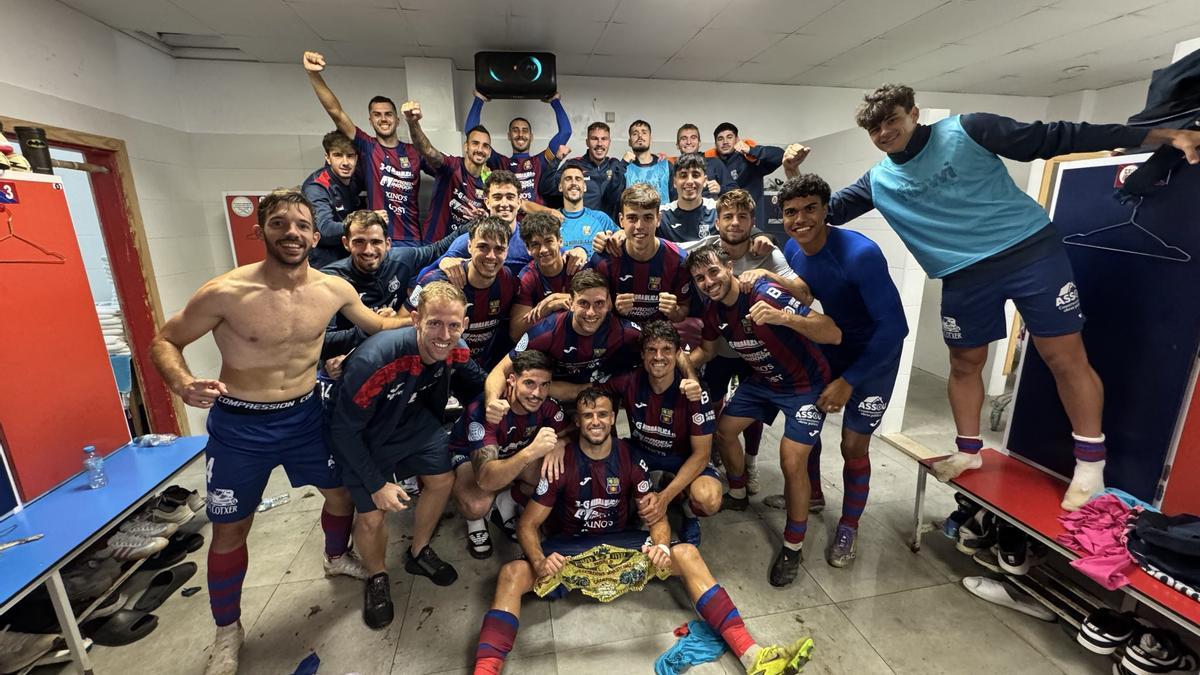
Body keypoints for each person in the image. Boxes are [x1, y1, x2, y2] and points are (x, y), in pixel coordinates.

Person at [810, 83, 1200, 510]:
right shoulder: (879, 179)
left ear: (914, 113)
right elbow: (820, 214)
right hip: (962, 275)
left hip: (1028, 252)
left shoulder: (967, 130)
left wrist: (1161, 136)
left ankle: (1090, 466)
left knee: (1063, 356)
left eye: (892, 121)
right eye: (875, 129)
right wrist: (790, 186)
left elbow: (1059, 135)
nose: (885, 133)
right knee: (965, 362)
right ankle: (968, 450)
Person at [149, 189, 409, 675]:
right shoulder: (225, 292)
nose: (291, 232)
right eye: (279, 224)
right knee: (231, 529)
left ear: (315, 234)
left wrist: (430, 320)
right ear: (261, 230)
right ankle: (228, 631)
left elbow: (376, 325)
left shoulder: (332, 289)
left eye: (301, 224)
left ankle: (335, 556)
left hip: (306, 416)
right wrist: (183, 383)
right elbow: (165, 339)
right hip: (240, 426)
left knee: (341, 495)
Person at [469, 388, 811, 675]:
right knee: (512, 574)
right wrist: (541, 560)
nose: (596, 422)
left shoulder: (630, 458)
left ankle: (752, 656)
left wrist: (661, 545)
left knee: (686, 553)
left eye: (603, 414)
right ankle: (486, 670)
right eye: (588, 416)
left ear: (613, 417)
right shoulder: (559, 463)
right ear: (578, 421)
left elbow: (656, 515)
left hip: (623, 546)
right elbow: (529, 524)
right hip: (570, 551)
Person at [327, 281, 488, 629]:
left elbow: (479, 385)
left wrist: (501, 400)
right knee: (372, 515)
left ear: (465, 323)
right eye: (434, 323)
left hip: (416, 424)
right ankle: (377, 576)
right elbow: (343, 431)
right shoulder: (375, 360)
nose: (444, 334)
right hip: (365, 437)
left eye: (454, 325)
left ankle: (419, 551)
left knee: (442, 479)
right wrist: (377, 483)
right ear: (416, 319)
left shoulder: (455, 348)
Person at [769, 174, 908, 567]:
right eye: (791, 212)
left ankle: (849, 525)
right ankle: (811, 493)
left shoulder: (860, 254)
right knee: (806, 422)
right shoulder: (793, 250)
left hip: (876, 356)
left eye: (810, 208)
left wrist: (850, 381)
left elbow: (895, 327)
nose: (801, 219)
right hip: (834, 347)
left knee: (852, 445)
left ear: (827, 210)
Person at [687, 241, 841, 587]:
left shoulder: (764, 292)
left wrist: (783, 317)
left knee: (791, 461)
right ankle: (739, 494)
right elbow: (707, 351)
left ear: (729, 267)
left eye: (713, 272)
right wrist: (673, 365)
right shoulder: (712, 313)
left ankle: (793, 545)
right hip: (764, 382)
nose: (709, 282)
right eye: (700, 278)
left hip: (805, 385)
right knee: (724, 431)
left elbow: (832, 332)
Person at [557, 321, 721, 545]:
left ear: (677, 354)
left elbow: (702, 455)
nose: (659, 356)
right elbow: (581, 391)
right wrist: (541, 389)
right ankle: (634, 503)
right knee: (606, 479)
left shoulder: (694, 392)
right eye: (652, 350)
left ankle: (688, 512)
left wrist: (664, 498)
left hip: (681, 456)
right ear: (642, 355)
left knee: (708, 498)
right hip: (641, 452)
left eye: (666, 350)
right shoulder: (628, 381)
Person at [695, 189, 801, 495]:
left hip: (756, 352)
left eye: (743, 217)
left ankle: (751, 464)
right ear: (717, 222)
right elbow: (675, 248)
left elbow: (802, 292)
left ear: (753, 221)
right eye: (728, 216)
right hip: (720, 348)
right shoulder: (710, 251)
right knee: (713, 403)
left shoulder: (767, 252)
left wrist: (766, 272)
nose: (735, 223)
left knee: (751, 411)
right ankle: (718, 452)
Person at [449, 349, 571, 557]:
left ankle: (507, 501)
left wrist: (561, 442)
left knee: (554, 474)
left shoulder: (548, 405)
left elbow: (572, 430)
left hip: (513, 450)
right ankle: (476, 521)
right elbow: (486, 479)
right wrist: (530, 452)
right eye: (530, 383)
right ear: (512, 380)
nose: (537, 393)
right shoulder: (486, 410)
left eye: (544, 385)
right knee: (476, 504)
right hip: (470, 456)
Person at [303, 51, 426, 245]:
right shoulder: (368, 147)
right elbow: (336, 112)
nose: (383, 119)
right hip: (379, 239)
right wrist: (314, 75)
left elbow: (441, 164)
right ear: (371, 120)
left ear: (396, 119)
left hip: (413, 239)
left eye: (388, 114)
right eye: (377, 115)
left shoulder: (413, 152)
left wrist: (414, 123)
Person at [320, 210, 460, 364]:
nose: (368, 250)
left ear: (388, 244)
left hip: (396, 355)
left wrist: (483, 221)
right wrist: (373, 326)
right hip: (351, 360)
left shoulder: (402, 259)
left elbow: (439, 248)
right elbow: (323, 341)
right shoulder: (331, 279)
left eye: (376, 242)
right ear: (346, 243)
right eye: (359, 242)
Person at [488, 270, 642, 395]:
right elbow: (501, 370)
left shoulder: (625, 331)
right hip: (555, 396)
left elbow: (659, 355)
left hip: (598, 396)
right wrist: (492, 402)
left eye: (599, 303)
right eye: (583, 303)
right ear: (571, 303)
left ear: (608, 304)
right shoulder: (546, 331)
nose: (591, 312)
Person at [406, 217, 519, 368]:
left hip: (479, 369)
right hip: (433, 368)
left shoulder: (507, 280)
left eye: (499, 249)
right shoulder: (435, 281)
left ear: (507, 252)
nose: (491, 256)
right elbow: (403, 323)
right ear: (469, 246)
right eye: (483, 247)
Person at [588, 184, 691, 324]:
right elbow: (589, 311)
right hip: (619, 338)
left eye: (648, 217)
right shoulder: (604, 260)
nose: (639, 226)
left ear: (658, 219)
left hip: (659, 339)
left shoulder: (679, 260)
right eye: (632, 218)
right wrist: (612, 309)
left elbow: (684, 310)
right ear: (621, 220)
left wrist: (674, 312)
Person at [464, 90, 572, 205]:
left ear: (531, 137)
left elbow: (566, 132)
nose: (520, 134)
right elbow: (472, 133)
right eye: (515, 130)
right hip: (508, 220)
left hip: (536, 220)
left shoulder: (541, 161)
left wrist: (555, 101)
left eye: (525, 131)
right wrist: (479, 100)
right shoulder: (500, 162)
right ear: (509, 136)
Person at [404, 103, 490, 244]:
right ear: (466, 147)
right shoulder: (452, 166)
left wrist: (485, 216)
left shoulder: (488, 184)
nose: (480, 149)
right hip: (434, 248)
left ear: (490, 152)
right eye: (475, 143)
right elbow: (428, 151)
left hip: (463, 251)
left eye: (485, 146)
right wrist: (413, 123)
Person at [708, 122, 785, 236]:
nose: (725, 142)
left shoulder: (749, 159)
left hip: (752, 222)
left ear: (737, 139)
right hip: (727, 225)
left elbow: (780, 155)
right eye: (720, 139)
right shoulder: (713, 165)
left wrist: (751, 150)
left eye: (729, 137)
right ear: (716, 143)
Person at [509, 212, 577, 339]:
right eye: (535, 244)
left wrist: (555, 297)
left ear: (560, 241)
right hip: (547, 340)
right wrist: (547, 308)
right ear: (528, 249)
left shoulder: (575, 265)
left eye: (548, 241)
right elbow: (515, 333)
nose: (543, 250)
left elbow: (599, 307)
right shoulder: (527, 277)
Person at [302, 130, 361, 269]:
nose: (345, 162)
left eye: (350, 156)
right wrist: (363, 223)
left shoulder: (355, 178)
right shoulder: (317, 187)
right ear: (328, 158)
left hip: (348, 255)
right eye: (338, 155)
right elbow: (325, 230)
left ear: (357, 158)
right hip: (325, 262)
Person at [543, 122, 625, 219]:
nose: (599, 143)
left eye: (604, 139)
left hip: (610, 228)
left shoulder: (615, 165)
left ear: (609, 142)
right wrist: (556, 160)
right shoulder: (573, 165)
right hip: (582, 228)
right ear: (587, 142)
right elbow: (546, 189)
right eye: (594, 139)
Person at [557, 161, 618, 254]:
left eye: (578, 179)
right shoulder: (551, 220)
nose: (573, 183)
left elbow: (624, 239)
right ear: (560, 187)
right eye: (568, 179)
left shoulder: (601, 218)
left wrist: (622, 234)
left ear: (584, 187)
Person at [674, 123, 735, 197]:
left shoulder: (714, 163)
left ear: (699, 143)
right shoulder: (671, 168)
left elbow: (736, 190)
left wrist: (721, 189)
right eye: (684, 138)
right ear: (677, 145)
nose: (689, 142)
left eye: (693, 138)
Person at [622, 119, 671, 202]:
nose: (640, 136)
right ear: (629, 142)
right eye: (635, 133)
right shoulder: (624, 169)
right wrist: (622, 163)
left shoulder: (665, 166)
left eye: (644, 132)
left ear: (651, 139)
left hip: (662, 214)